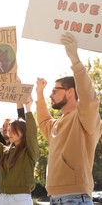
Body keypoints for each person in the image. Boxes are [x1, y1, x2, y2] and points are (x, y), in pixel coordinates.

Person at [35, 33, 102, 205]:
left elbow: (89, 98)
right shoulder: (57, 123)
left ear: (70, 92)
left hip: (75, 197)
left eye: (55, 90)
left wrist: (74, 59)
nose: (51, 94)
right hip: (55, 198)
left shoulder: (85, 117)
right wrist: (39, 95)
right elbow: (43, 123)